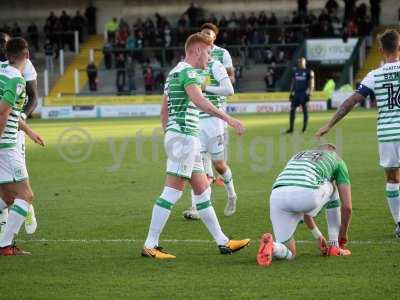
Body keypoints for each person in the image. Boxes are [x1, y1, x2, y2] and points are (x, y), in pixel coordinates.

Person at [141, 33, 250, 259]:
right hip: (184, 138)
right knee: (172, 193)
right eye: (208, 52)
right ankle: (150, 244)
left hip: (183, 137)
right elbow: (200, 101)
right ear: (197, 50)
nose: (209, 57)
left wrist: (170, 134)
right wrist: (229, 119)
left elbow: (163, 110)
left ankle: (223, 242)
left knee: (201, 191)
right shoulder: (188, 72)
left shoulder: (173, 73)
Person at [316, 29, 400, 237]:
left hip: (388, 134)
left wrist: (330, 124)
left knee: (392, 179)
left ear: (380, 50)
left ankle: (399, 222)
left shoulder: (375, 75)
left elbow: (351, 101)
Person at [257, 144, 352, 266]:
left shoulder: (298, 155)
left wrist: (317, 236)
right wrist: (343, 234)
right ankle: (335, 246)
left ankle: (272, 246)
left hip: (277, 196)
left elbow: (303, 207)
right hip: (306, 194)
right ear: (333, 151)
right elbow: (347, 207)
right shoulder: (338, 160)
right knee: (333, 187)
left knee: (290, 253)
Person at [0, 38, 44, 256]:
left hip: (6, 144)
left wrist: (29, 131)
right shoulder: (17, 80)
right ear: (26, 55)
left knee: (7, 198)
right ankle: (5, 246)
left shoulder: (2, 73)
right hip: (5, 146)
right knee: (26, 196)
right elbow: (3, 112)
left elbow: (9, 113)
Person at [286, 57, 314, 133]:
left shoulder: (309, 71)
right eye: (299, 62)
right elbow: (293, 82)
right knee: (292, 110)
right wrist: (291, 93)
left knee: (305, 111)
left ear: (305, 63)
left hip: (304, 93)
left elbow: (312, 83)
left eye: (302, 62)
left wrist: (310, 93)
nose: (300, 63)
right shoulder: (296, 71)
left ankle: (304, 129)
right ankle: (291, 129)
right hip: (296, 94)